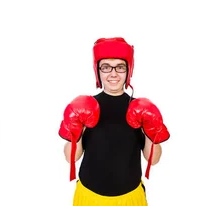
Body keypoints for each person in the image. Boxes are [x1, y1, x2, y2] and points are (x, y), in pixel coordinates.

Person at [58, 37, 170, 205]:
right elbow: (71, 158)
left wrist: (151, 129)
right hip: (89, 196)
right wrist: (75, 127)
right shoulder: (86, 106)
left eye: (120, 67)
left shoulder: (140, 109)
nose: (113, 73)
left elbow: (153, 160)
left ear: (128, 70)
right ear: (98, 70)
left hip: (130, 197)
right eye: (106, 67)